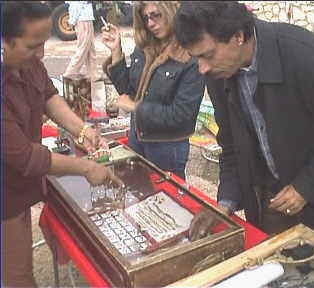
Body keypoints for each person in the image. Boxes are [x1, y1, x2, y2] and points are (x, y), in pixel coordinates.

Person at [174, 1, 314, 253]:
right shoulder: (218, 74)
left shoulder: (309, 56)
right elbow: (230, 144)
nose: (202, 68)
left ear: (238, 36)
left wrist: (306, 187)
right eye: (196, 58)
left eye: (207, 55)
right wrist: (224, 203)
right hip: (273, 214)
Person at [1, 2, 123, 287]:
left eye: (44, 43)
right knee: (17, 274)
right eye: (33, 46)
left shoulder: (27, 64)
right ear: (3, 41)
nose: (41, 53)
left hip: (17, 190)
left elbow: (48, 96)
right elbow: (28, 158)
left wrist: (82, 130)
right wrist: (84, 167)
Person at [101, 1, 204, 180]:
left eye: (156, 15)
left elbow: (182, 115)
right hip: (137, 137)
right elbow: (127, 90)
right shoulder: (145, 48)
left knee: (168, 201)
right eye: (146, 18)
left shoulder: (189, 55)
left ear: (171, 11)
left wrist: (136, 108)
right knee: (136, 195)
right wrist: (116, 50)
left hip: (167, 147)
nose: (150, 24)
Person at [63, 1, 97, 80]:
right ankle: (71, 72)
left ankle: (92, 74)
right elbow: (76, 6)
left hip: (85, 19)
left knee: (90, 49)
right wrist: (72, 21)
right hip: (84, 20)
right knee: (83, 48)